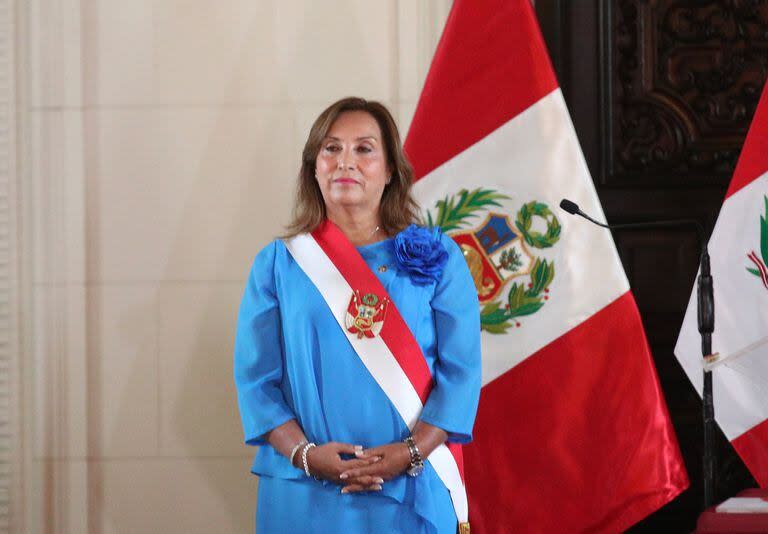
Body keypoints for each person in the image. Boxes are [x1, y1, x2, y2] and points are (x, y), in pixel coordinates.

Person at [233, 96, 481, 533]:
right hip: (305, 489)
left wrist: (410, 451)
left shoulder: (438, 257)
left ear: (389, 171)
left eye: (364, 149)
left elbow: (460, 375)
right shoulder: (277, 264)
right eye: (331, 149)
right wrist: (307, 456)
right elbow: (256, 383)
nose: (345, 161)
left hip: (414, 484)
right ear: (314, 167)